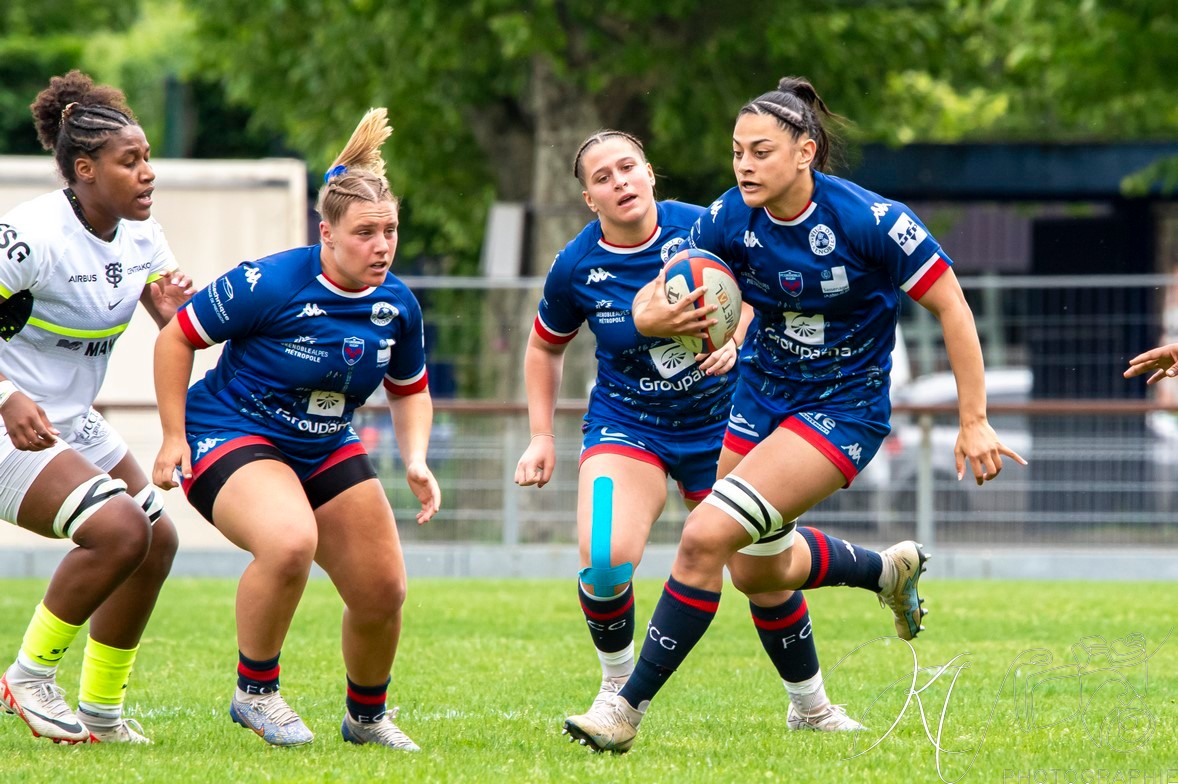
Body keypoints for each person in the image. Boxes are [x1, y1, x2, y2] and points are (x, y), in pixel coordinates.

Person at [563, 77, 1027, 753]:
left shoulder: (870, 221)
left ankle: (624, 709)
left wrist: (974, 418)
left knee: (703, 536)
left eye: (761, 151)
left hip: (841, 410)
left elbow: (952, 305)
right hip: (760, 401)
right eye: (737, 152)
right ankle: (883, 573)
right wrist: (656, 316)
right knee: (755, 570)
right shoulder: (728, 218)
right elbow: (657, 296)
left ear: (805, 151)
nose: (744, 165)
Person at [516, 129, 868, 742]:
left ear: (650, 172)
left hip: (724, 425)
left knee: (759, 570)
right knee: (603, 561)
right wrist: (540, 435)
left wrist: (739, 335)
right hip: (629, 427)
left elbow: (760, 295)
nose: (620, 182)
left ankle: (812, 708)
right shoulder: (576, 264)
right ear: (589, 199)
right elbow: (544, 347)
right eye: (602, 178)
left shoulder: (707, 229)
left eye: (628, 167)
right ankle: (615, 689)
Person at [151, 107, 440, 751]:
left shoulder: (397, 304)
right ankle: (255, 693)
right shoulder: (271, 281)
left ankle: (367, 718)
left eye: (390, 230)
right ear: (327, 233)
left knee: (382, 588)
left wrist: (416, 458)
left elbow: (410, 389)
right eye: (365, 232)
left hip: (323, 441)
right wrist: (172, 436)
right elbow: (177, 338)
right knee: (289, 542)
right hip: (231, 430)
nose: (382, 246)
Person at [0, 70, 193, 744]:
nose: (148, 173)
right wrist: (6, 394)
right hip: (8, 420)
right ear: (84, 170)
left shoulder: (143, 236)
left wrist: (178, 314)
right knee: (118, 531)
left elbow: (173, 323)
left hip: (69, 418)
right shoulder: (29, 235)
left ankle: (102, 713)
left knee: (156, 541)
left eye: (148, 159)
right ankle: (28, 677)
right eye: (130, 161)